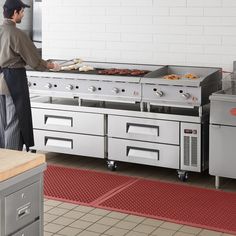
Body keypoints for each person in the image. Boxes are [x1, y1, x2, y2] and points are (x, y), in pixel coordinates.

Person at [0, 0, 60, 151]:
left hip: (0, 79)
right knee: (15, 121)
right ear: (15, 13)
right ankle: (13, 160)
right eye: (22, 11)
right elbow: (34, 61)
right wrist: (52, 66)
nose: (23, 14)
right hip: (12, 82)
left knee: (1, 123)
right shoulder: (17, 34)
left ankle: (3, 160)